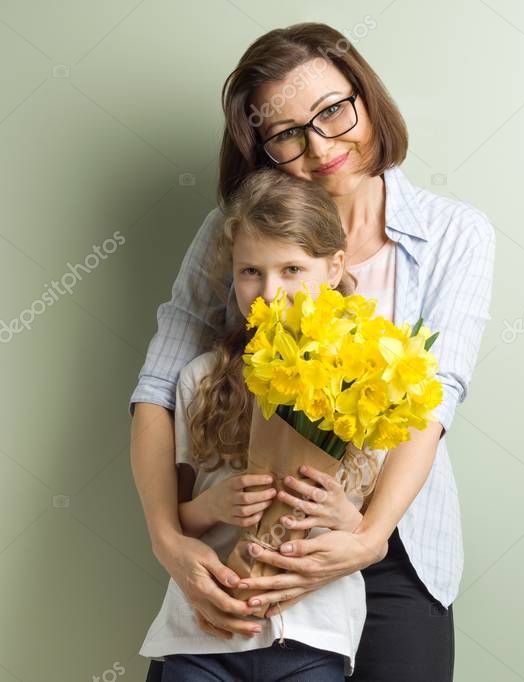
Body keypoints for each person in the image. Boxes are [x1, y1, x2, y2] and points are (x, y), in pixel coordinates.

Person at [132, 22, 495, 681]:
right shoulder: (235, 231)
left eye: (332, 111)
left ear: (365, 94)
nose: (321, 146)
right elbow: (159, 386)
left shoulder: (453, 233)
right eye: (286, 133)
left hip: (394, 545)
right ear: (261, 145)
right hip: (242, 540)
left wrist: (365, 535)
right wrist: (170, 540)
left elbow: (435, 396)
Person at [140, 169, 380, 679]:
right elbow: (178, 517)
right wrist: (211, 506)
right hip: (204, 632)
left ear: (334, 267)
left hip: (313, 632)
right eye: (251, 271)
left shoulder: (367, 385)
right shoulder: (199, 378)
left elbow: (370, 532)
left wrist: (342, 512)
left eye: (292, 269)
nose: (269, 292)